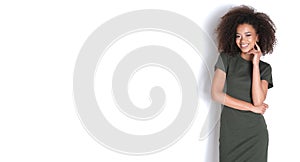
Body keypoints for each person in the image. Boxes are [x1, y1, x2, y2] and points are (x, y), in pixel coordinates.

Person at [211, 5, 276, 162]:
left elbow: (258, 101)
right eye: (238, 36)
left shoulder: (264, 68)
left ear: (257, 37)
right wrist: (252, 108)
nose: (243, 40)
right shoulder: (226, 59)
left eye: (248, 35)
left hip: (255, 135)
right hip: (230, 132)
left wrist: (255, 64)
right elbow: (216, 94)